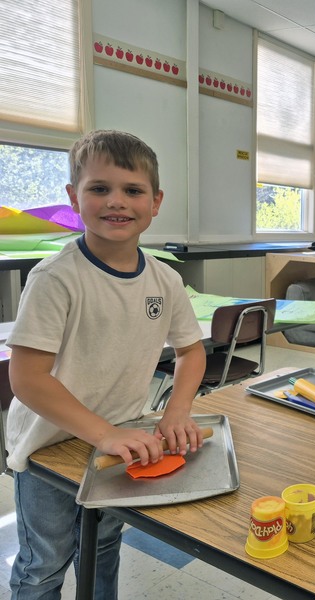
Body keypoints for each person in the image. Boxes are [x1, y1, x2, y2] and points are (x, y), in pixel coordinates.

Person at [6, 130, 207, 598]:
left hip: (120, 442)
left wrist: (176, 410)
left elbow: (191, 350)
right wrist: (104, 433)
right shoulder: (55, 279)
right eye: (100, 189)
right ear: (74, 198)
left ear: (155, 202)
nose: (117, 202)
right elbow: (27, 379)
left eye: (132, 190)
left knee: (102, 546)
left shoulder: (165, 279)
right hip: (48, 450)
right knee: (45, 564)